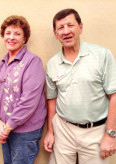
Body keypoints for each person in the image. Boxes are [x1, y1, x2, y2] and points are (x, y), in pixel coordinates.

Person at [44, 8, 116, 164]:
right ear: (56, 34)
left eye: (70, 25)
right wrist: (50, 132)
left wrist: (111, 134)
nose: (66, 31)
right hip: (63, 130)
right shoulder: (52, 64)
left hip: (95, 131)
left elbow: (114, 95)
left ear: (80, 27)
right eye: (60, 28)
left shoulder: (102, 55)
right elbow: (52, 100)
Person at [0, 15, 47, 164]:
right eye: (8, 33)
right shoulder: (2, 63)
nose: (11, 37)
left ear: (24, 38)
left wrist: (6, 128)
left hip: (23, 133)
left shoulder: (32, 62)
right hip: (4, 130)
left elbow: (28, 102)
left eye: (17, 34)